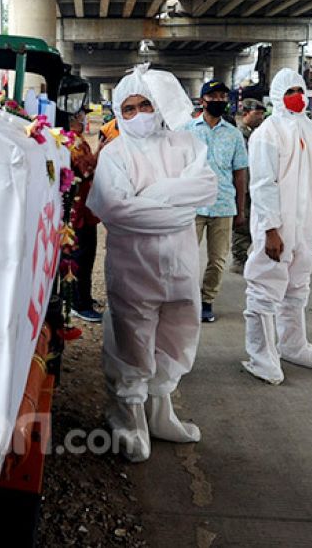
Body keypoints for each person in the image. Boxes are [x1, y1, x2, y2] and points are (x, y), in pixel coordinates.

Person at [87, 64, 218, 462]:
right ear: (117, 112)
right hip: (134, 267)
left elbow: (208, 187)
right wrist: (177, 205)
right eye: (128, 108)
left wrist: (150, 196)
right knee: (133, 339)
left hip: (180, 265)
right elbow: (116, 210)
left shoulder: (186, 145)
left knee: (177, 334)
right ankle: (128, 417)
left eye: (146, 104)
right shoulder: (115, 154)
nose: (139, 114)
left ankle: (161, 412)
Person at [242, 68, 312, 385]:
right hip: (277, 226)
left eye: (300, 89)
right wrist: (270, 229)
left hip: (306, 225)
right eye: (290, 90)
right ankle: (260, 356)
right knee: (265, 287)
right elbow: (263, 185)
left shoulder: (311, 131)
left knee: (297, 286)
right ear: (278, 95)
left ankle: (293, 345)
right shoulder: (267, 132)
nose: (297, 95)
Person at [179, 79, 248, 323]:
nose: (218, 100)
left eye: (222, 96)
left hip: (223, 205)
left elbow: (240, 173)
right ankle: (187, 300)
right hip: (193, 206)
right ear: (202, 101)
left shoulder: (234, 135)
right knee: (185, 258)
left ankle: (207, 300)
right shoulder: (186, 131)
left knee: (218, 260)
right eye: (213, 96)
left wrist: (240, 210)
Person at [66, 107, 102, 322]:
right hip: (77, 210)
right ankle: (78, 303)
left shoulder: (79, 139)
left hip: (86, 208)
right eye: (82, 115)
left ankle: (84, 298)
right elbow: (84, 170)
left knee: (87, 257)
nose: (84, 118)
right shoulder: (72, 142)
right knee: (79, 257)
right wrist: (99, 156)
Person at [231, 98, 266, 273]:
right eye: (257, 113)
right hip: (243, 186)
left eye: (262, 114)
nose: (261, 117)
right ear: (245, 113)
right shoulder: (237, 134)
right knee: (242, 223)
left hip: (258, 185)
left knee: (259, 221)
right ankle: (239, 259)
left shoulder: (260, 133)